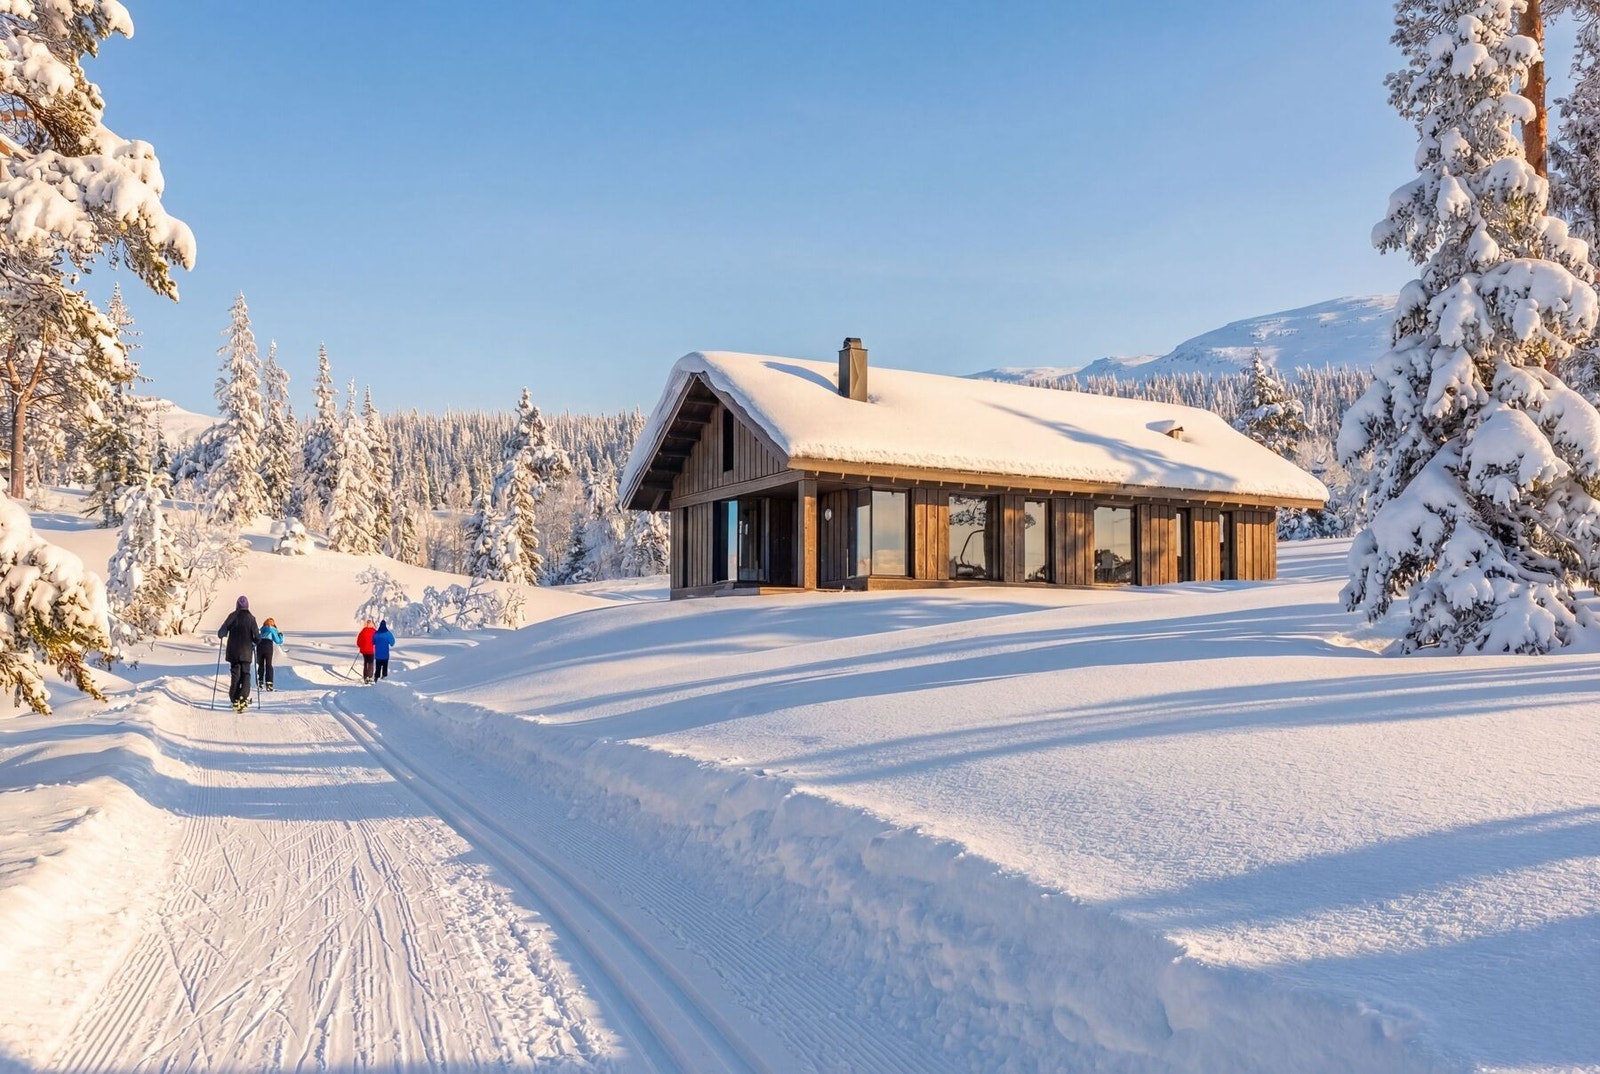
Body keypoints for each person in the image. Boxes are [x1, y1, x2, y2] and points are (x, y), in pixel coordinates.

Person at [217, 596, 259, 713]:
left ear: (237, 605)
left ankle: (234, 699)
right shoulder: (251, 618)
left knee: (235, 675)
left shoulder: (232, 616)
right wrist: (255, 642)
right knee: (245, 674)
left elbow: (221, 633)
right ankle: (243, 697)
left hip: (233, 652)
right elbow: (257, 637)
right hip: (246, 653)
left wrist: (223, 634)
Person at [257, 617, 284, 691]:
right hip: (268, 646)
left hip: (259, 646)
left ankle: (260, 681)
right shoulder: (272, 630)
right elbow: (278, 641)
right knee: (268, 664)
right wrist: (281, 636)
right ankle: (269, 683)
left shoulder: (261, 630)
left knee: (261, 664)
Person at [356, 619, 376, 683]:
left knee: (366, 663)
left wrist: (361, 646)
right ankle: (369, 677)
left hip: (364, 650)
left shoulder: (362, 632)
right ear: (371, 624)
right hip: (371, 650)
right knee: (371, 663)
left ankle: (365, 677)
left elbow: (358, 642)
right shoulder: (374, 632)